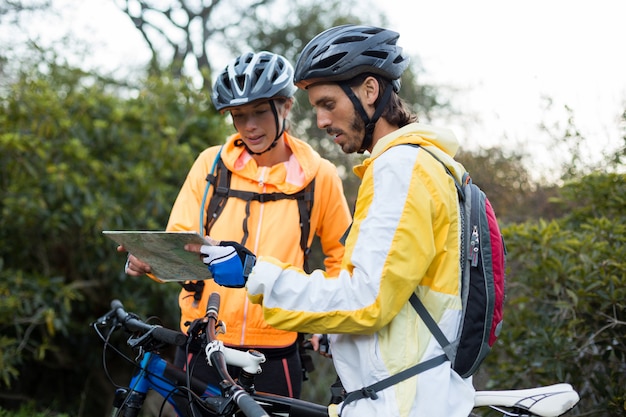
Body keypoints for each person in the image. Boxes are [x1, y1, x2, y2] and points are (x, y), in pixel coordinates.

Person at [186, 25, 476, 417]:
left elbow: (366, 297)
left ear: (370, 91)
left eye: (327, 103)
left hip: (401, 400)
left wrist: (256, 273)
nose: (321, 121)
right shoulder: (418, 164)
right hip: (406, 389)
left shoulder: (400, 169)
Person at [122, 51, 352, 399]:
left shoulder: (319, 175)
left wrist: (327, 323)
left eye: (260, 111)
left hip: (277, 347)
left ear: (286, 106)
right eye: (238, 115)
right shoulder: (210, 166)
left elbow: (342, 259)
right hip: (204, 339)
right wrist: (149, 260)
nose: (250, 126)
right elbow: (179, 243)